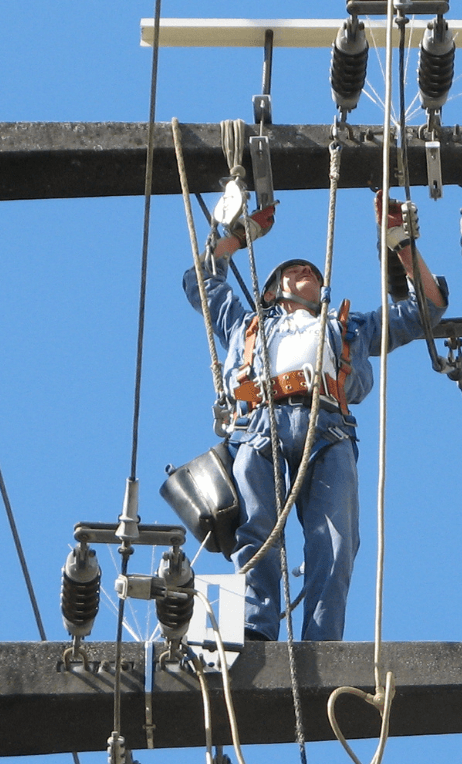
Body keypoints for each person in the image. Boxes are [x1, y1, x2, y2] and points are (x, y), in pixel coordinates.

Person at [184, 197, 447, 641]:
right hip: (259, 425)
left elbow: (428, 309)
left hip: (327, 427)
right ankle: (252, 630)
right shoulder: (247, 325)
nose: (306, 271)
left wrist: (402, 243)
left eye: (313, 270)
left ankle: (322, 646)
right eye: (293, 270)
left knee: (336, 542)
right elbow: (201, 281)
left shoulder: (350, 327)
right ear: (271, 292)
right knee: (256, 532)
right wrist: (238, 235)